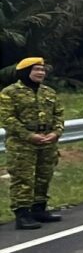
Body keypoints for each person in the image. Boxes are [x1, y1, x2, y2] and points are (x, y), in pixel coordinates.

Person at [2, 58, 64, 229]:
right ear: (25, 72)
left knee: (44, 176)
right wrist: (29, 135)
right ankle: (22, 214)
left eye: (42, 70)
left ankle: (39, 209)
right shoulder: (10, 92)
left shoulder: (49, 92)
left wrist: (56, 133)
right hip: (21, 144)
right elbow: (7, 119)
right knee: (23, 178)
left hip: (47, 140)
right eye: (36, 69)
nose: (40, 73)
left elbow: (59, 115)